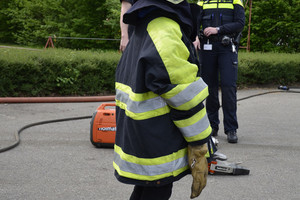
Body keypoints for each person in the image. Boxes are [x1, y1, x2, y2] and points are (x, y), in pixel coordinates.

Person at [114, 0, 215, 199]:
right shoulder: (163, 28)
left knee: (147, 189)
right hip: (156, 138)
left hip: (143, 134)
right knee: (157, 191)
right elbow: (184, 95)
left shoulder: (147, 22)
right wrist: (200, 144)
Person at [193, 0, 245, 143]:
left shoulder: (235, 0)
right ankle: (212, 125)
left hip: (227, 47)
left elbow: (240, 23)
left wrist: (218, 29)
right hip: (208, 48)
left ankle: (231, 128)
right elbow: (194, 21)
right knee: (210, 88)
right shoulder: (203, 1)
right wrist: (195, 36)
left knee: (229, 87)